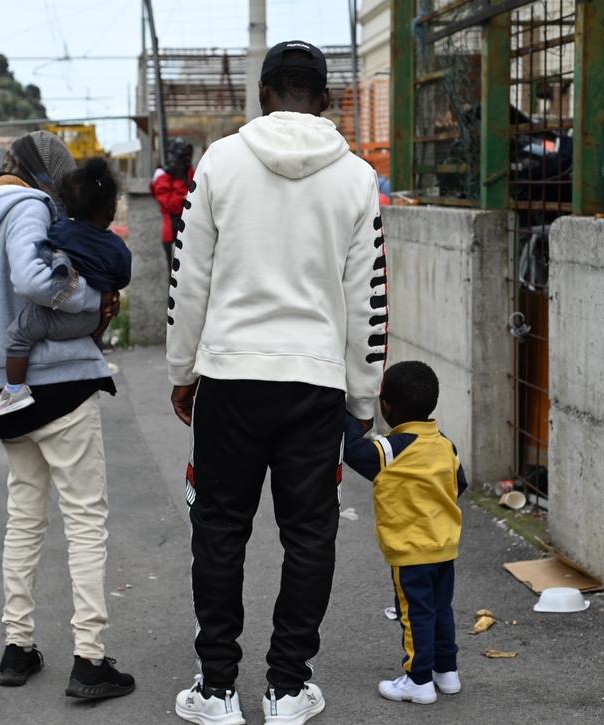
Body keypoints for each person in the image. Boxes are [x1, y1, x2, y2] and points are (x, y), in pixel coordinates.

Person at [167, 40, 388, 725]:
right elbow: (367, 299)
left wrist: (183, 374)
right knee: (310, 534)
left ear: (263, 94)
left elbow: (189, 280)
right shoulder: (356, 178)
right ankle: (289, 688)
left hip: (231, 377)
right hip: (314, 383)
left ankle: (217, 689)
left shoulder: (221, 164)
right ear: (325, 99)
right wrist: (361, 395)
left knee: (220, 529)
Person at [0, 130, 134, 700]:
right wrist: (92, 299)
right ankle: (89, 660)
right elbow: (33, 279)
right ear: (45, 176)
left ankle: (18, 646)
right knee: (85, 521)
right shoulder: (30, 206)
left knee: (25, 517)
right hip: (58, 380)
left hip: (6, 388)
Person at [343, 360, 466, 705]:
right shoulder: (445, 445)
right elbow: (461, 485)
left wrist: (344, 412)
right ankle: (447, 672)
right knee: (441, 609)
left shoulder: (392, 449)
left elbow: (355, 452)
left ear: (387, 406)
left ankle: (418, 680)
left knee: (415, 614)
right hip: (444, 545)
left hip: (410, 550)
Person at [0, 157, 132, 417]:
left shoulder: (59, 231)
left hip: (62, 314)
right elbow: (122, 278)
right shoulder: (117, 247)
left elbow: (37, 263)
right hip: (95, 320)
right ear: (111, 210)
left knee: (19, 333)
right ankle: (95, 352)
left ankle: (14, 390)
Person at [150, 138, 195, 272]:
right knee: (175, 276)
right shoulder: (162, 177)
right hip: (172, 234)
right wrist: (180, 181)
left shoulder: (188, 171)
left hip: (191, 231)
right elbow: (171, 205)